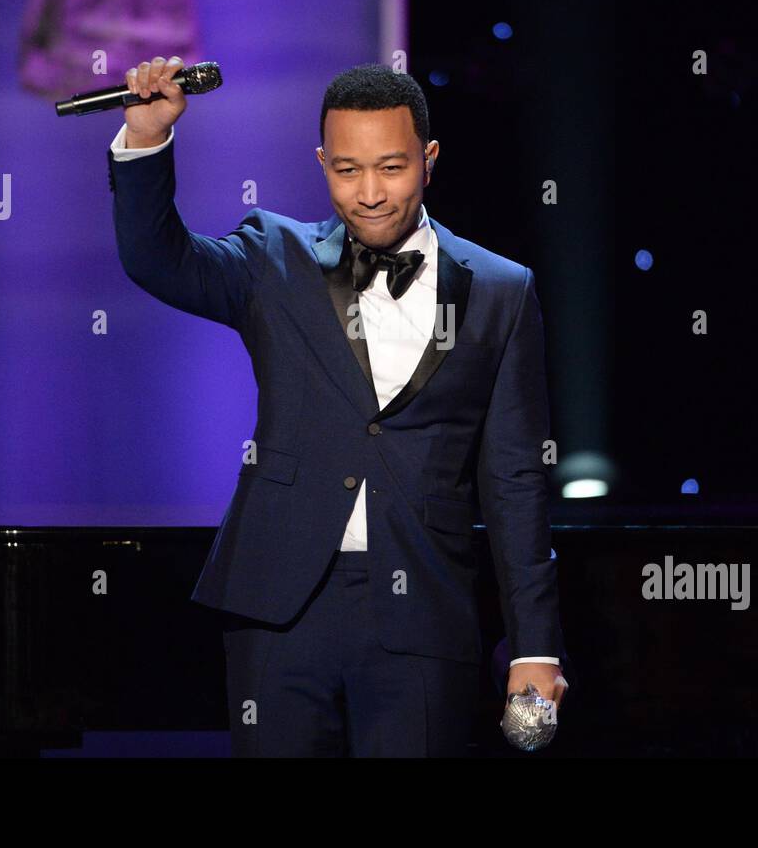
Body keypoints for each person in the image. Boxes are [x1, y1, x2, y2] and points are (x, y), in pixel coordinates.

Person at [108, 56, 567, 756]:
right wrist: (146, 137)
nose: (370, 192)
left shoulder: (502, 291)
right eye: (346, 170)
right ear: (323, 162)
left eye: (391, 167)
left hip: (426, 613)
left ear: (429, 158)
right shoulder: (273, 256)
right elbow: (156, 259)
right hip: (279, 608)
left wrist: (535, 646)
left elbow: (515, 481)